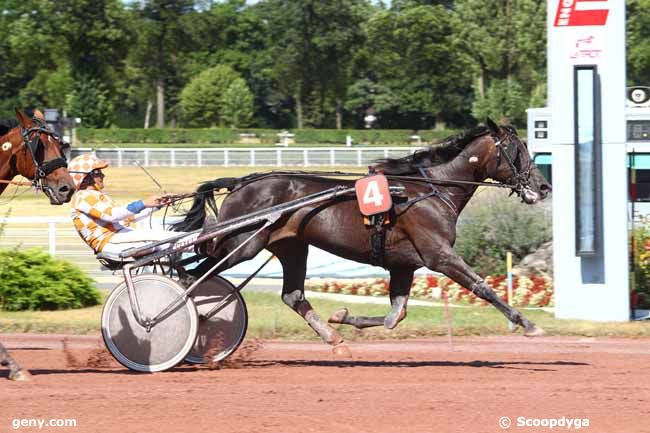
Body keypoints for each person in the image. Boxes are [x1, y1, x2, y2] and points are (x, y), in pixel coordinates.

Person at [68, 154, 196, 256]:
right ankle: (203, 244)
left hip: (118, 237)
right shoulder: (83, 197)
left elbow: (128, 218)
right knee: (163, 238)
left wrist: (157, 205)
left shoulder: (93, 195)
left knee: (168, 239)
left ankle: (201, 246)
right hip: (111, 241)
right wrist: (144, 203)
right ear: (85, 177)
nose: (102, 175)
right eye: (97, 173)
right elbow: (112, 215)